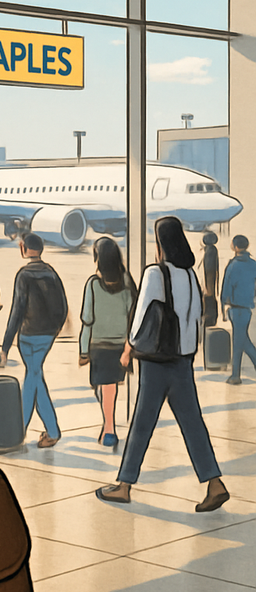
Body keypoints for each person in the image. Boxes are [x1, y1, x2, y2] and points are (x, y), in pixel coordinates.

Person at [97, 217, 230, 512]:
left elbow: (141, 312)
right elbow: (196, 314)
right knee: (193, 422)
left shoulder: (155, 274)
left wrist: (128, 348)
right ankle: (215, 483)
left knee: (142, 423)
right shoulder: (191, 276)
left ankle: (124, 485)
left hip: (157, 362)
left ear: (161, 244)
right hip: (183, 361)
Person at [0, 233, 68, 448]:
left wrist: (5, 346)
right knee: (35, 376)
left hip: (28, 336)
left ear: (23, 248)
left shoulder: (23, 275)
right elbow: (63, 307)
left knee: (32, 378)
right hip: (46, 336)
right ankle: (50, 430)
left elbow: (17, 311)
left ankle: (18, 432)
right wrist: (54, 330)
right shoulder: (51, 274)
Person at [78, 237, 136, 448]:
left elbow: (87, 320)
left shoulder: (93, 284)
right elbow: (133, 317)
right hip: (121, 345)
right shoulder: (127, 282)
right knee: (107, 386)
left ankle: (109, 429)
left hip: (99, 345)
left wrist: (83, 350)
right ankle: (107, 424)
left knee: (106, 386)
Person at [220, 234, 256, 384]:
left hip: (235, 309)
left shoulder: (233, 265)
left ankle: (235, 376)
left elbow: (226, 289)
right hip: (247, 308)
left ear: (235, 247)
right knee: (242, 340)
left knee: (239, 342)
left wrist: (222, 308)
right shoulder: (254, 264)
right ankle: (236, 374)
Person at [201, 231, 220, 333]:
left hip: (208, 286)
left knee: (209, 303)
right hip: (210, 285)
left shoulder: (209, 251)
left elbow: (209, 271)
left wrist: (208, 289)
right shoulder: (212, 250)